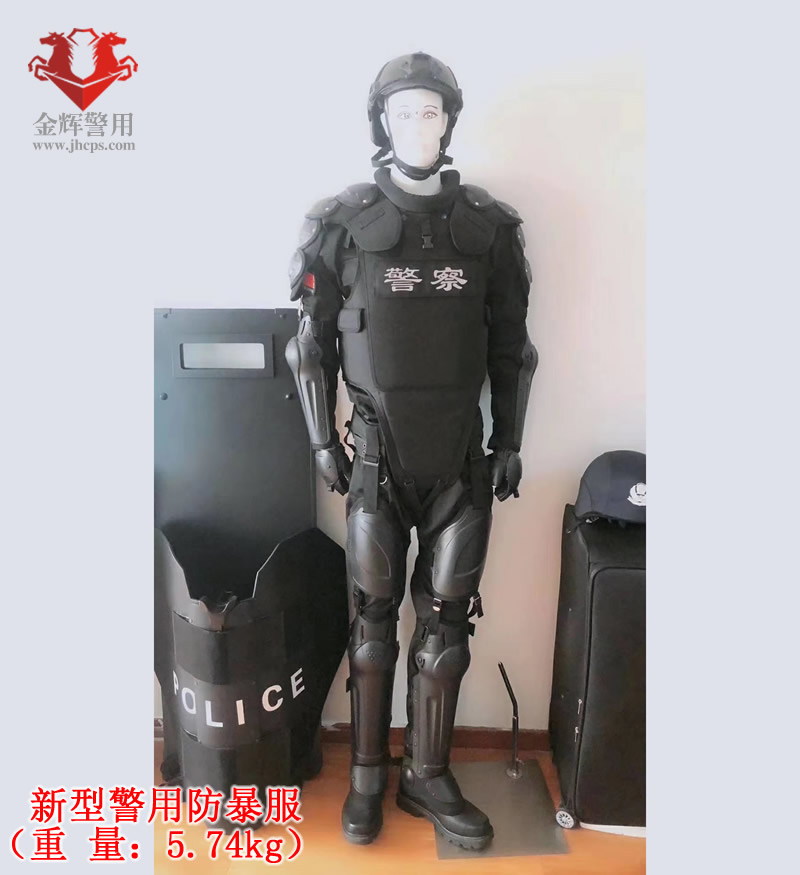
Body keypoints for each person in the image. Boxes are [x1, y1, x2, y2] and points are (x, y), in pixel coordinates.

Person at [286, 52, 537, 849]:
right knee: (371, 626)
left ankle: (426, 776)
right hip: (375, 462)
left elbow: (514, 349)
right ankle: (366, 775)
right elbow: (309, 347)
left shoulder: (489, 230)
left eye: (432, 112)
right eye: (404, 113)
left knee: (446, 632)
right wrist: (320, 440)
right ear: (381, 123)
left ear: (450, 121)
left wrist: (511, 440)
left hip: (461, 461)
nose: (419, 126)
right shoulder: (342, 224)